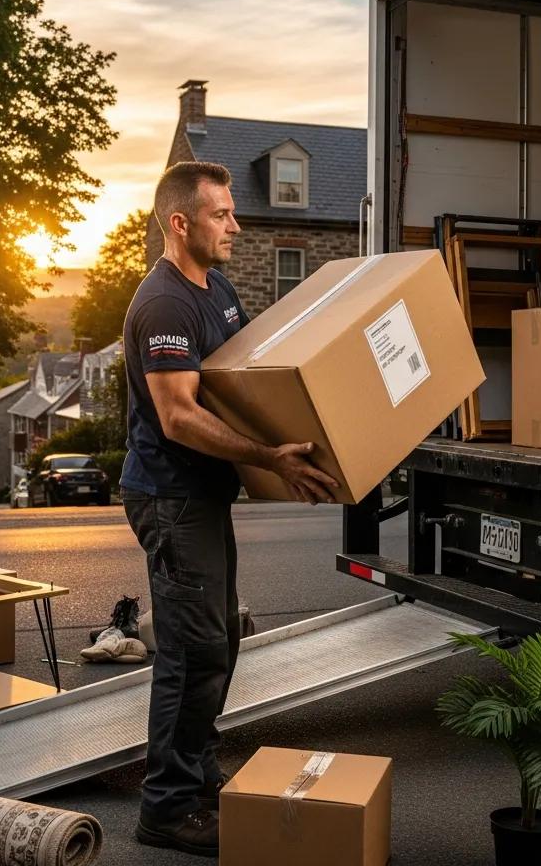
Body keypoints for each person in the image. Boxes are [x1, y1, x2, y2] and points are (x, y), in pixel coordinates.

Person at [120, 160, 339, 857]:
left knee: (219, 641)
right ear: (180, 223)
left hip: (203, 496)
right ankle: (168, 806)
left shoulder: (215, 289)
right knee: (190, 654)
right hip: (170, 497)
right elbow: (180, 416)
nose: (236, 226)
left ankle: (196, 775)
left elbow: (246, 374)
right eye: (221, 214)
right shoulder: (164, 304)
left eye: (233, 212)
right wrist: (270, 457)